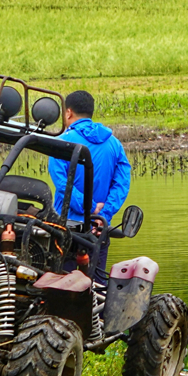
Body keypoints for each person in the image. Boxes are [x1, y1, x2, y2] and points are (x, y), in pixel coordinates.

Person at [47, 90, 131, 292]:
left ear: (68, 113)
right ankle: (98, 320)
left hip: (68, 226)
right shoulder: (114, 143)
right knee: (97, 286)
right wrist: (103, 213)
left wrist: (88, 207)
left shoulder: (61, 144)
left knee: (63, 285)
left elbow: (63, 185)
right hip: (99, 227)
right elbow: (122, 183)